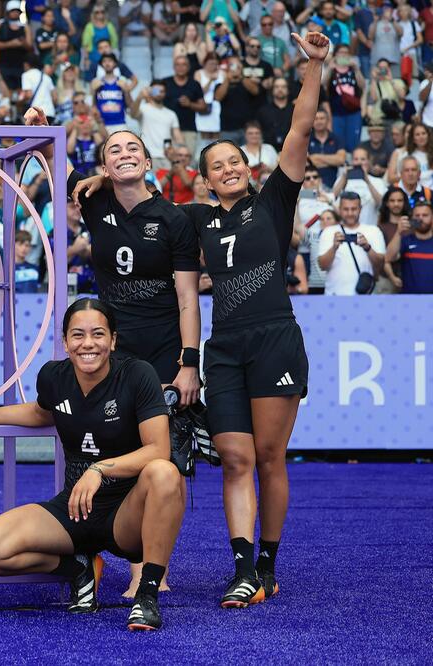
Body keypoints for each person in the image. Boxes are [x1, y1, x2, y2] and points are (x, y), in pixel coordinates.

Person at [178, 31, 328, 607]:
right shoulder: (196, 220)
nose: (228, 169)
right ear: (207, 180)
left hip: (275, 343)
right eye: (216, 167)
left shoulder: (274, 201)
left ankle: (266, 562)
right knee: (235, 459)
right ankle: (242, 569)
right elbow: (140, 206)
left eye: (235, 160)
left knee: (268, 456)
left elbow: (299, 127)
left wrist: (313, 65)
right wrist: (91, 184)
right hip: (224, 347)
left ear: (248, 166)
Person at [33, 106, 201, 598]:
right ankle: (97, 552)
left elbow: (189, 297)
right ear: (104, 166)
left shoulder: (173, 218)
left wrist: (189, 361)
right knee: (108, 446)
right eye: (113, 150)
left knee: (159, 460)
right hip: (107, 349)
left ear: (148, 162)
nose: (124, 155)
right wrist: (43, 130)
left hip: (163, 347)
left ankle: (149, 567)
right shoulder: (94, 201)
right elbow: (58, 167)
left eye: (133, 148)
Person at [0, 299, 183, 630]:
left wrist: (100, 469)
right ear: (65, 341)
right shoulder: (53, 376)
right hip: (75, 508)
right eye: (78, 335)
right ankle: (79, 566)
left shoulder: (137, 374)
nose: (88, 344)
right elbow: (38, 413)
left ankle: (147, 595)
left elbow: (158, 449)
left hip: (126, 516)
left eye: (98, 334)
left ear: (113, 340)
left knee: (165, 473)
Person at [317, 192, 386, 295]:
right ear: (339, 209)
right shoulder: (328, 232)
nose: (350, 213)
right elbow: (322, 266)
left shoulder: (374, 231)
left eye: (354, 209)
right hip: (335, 296)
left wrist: (367, 247)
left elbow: (380, 264)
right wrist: (334, 247)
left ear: (360, 209)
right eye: (346, 209)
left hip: (365, 296)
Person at [385, 200, 433, 293]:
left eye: (425, 215)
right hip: (409, 301)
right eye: (417, 216)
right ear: (412, 218)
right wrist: (398, 232)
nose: (421, 219)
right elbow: (388, 257)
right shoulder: (405, 240)